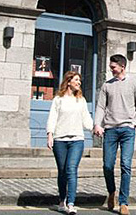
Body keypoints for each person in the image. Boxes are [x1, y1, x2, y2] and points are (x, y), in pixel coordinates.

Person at [93, 54, 136, 215]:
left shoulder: (134, 83)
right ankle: (111, 192)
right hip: (110, 130)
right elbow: (101, 106)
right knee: (107, 165)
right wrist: (97, 124)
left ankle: (124, 202)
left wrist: (134, 123)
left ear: (122, 66)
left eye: (113, 67)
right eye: (111, 67)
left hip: (127, 130)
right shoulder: (106, 85)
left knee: (125, 165)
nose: (111, 70)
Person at [46, 71, 94, 215]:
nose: (79, 82)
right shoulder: (58, 99)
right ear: (68, 82)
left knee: (71, 169)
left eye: (79, 80)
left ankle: (71, 203)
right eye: (76, 80)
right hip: (60, 139)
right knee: (62, 171)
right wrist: (50, 135)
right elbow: (52, 118)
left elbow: (86, 119)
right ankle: (62, 201)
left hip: (77, 140)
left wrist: (95, 128)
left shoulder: (81, 100)